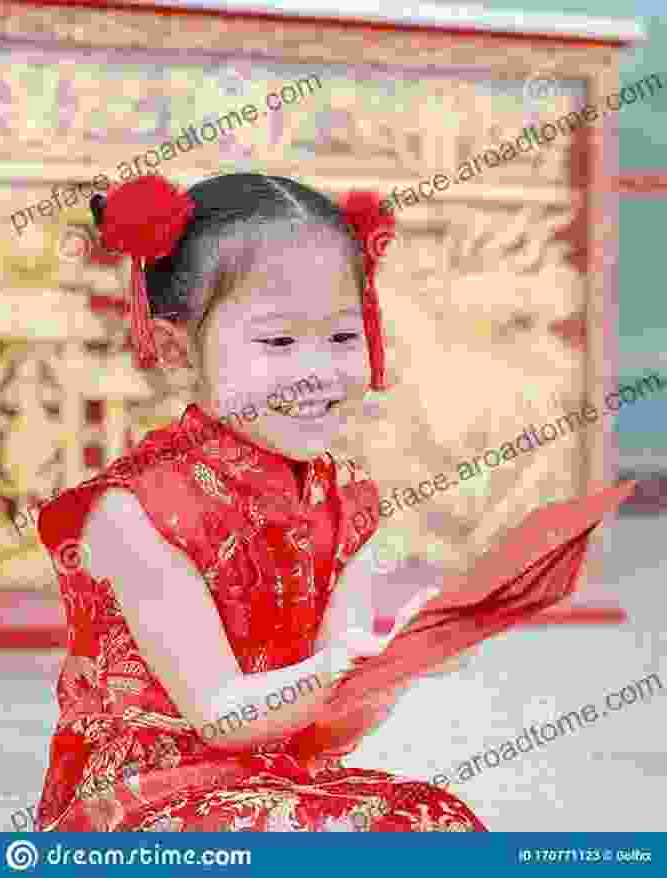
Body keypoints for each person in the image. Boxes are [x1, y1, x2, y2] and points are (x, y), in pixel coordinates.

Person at [34, 171, 489, 832]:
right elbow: (221, 714)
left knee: (433, 818)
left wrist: (397, 660)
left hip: (275, 781)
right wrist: (337, 667)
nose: (318, 372)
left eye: (340, 336)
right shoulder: (135, 511)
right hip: (146, 802)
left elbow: (326, 735)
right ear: (173, 345)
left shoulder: (349, 497)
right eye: (278, 342)